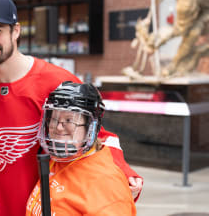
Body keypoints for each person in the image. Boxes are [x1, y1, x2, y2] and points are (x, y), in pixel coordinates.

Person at [0, 0, 143, 216]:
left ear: (16, 31)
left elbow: (97, 135)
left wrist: (123, 169)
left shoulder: (57, 82)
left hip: (42, 208)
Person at [26, 82, 136, 215]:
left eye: (69, 120)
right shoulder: (59, 161)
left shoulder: (105, 182)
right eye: (54, 119)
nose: (59, 127)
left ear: (91, 127)